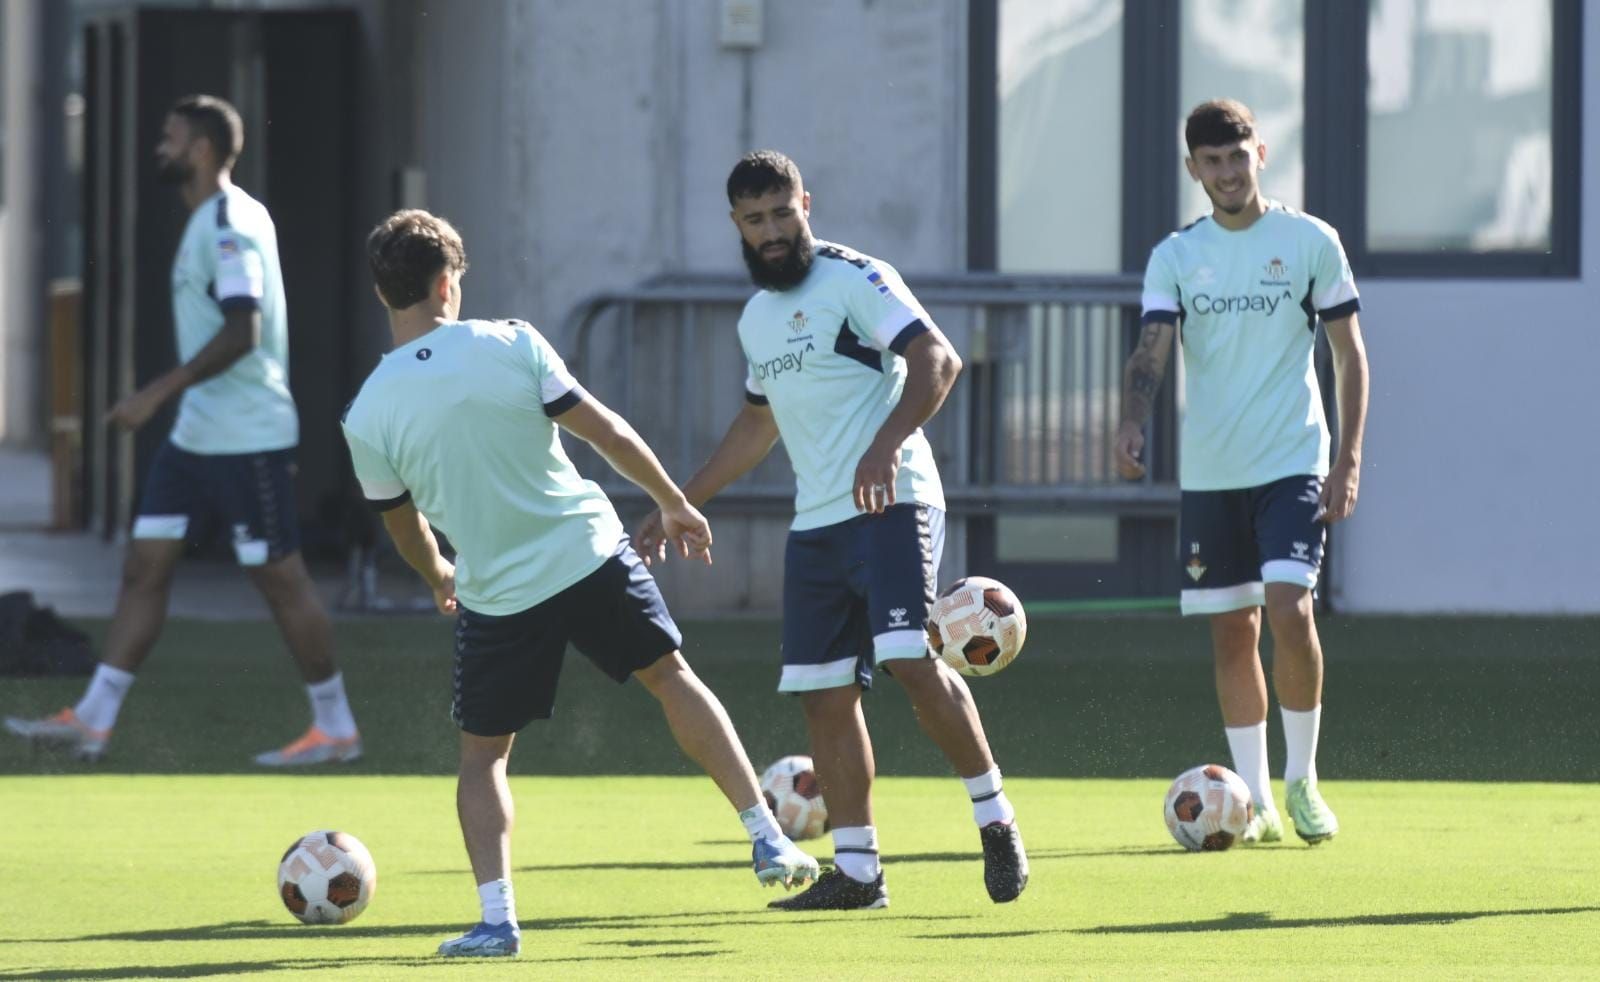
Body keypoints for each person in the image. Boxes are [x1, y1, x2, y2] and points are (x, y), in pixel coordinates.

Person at [347, 209, 819, 958]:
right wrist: (673, 501)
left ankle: (498, 922)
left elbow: (402, 527)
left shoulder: (367, 411)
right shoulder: (513, 343)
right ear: (446, 284)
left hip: (496, 593)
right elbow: (608, 433)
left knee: (483, 757)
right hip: (589, 554)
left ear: (383, 293)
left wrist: (437, 573)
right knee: (671, 677)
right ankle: (767, 837)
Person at [636, 151, 1028, 910]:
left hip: (894, 502)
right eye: (756, 220)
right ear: (737, 225)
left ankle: (994, 817)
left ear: (806, 205)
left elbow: (938, 359)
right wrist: (679, 501)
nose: (773, 231)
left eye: (783, 213)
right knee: (822, 695)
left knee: (909, 657)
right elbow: (757, 426)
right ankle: (858, 873)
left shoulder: (856, 277)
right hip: (816, 523)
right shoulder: (756, 318)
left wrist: (886, 444)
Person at [4, 94, 360, 766]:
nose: (159, 148)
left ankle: (336, 726)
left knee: (279, 579)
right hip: (195, 437)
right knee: (144, 567)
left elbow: (243, 328)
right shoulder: (210, 218)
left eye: (169, 138)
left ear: (200, 149)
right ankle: (93, 720)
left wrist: (154, 393)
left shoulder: (229, 221)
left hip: (247, 436)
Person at [1114, 99, 1369, 845]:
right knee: (1233, 631)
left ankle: (1303, 780)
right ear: (1193, 169)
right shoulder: (1175, 256)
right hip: (1212, 471)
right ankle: (1253, 801)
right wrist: (1132, 421)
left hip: (1293, 459)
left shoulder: (1310, 240)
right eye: (1211, 161)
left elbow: (1350, 356)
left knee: (1291, 609)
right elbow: (1151, 351)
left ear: (1261, 153)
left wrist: (1348, 457)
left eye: (1237, 156)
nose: (1227, 172)